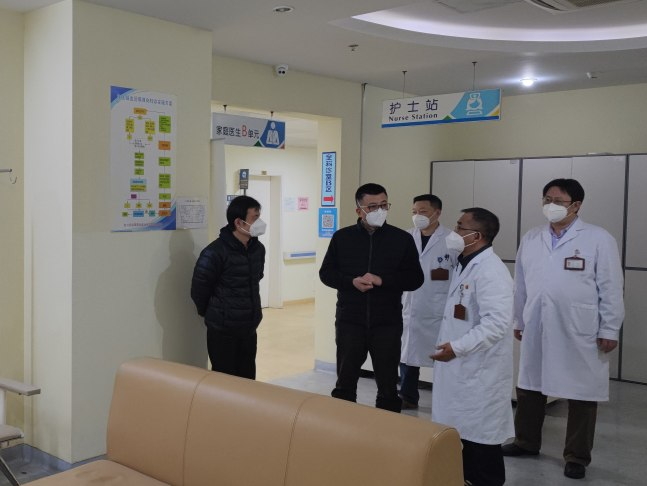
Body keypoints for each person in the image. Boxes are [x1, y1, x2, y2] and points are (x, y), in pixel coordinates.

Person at [502, 178, 624, 480]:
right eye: (547, 199)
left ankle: (577, 456)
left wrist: (610, 328)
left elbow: (611, 287)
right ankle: (526, 441)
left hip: (580, 329)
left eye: (558, 201)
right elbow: (521, 284)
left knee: (582, 393)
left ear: (576, 205)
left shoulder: (598, 239)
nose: (551, 206)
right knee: (530, 387)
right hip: (537, 324)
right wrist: (519, 320)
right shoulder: (532, 237)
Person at [319, 183, 424, 413]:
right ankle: (342, 425)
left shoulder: (401, 239)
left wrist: (382, 280)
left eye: (384, 205)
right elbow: (326, 274)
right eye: (373, 206)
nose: (380, 210)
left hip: (387, 323)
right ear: (359, 210)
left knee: (388, 386)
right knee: (345, 382)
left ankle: (386, 430)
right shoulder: (342, 237)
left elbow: (415, 278)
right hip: (350, 321)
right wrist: (351, 282)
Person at [431, 207, 514, 486]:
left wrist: (458, 347)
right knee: (462, 440)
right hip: (461, 371)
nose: (454, 231)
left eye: (460, 227)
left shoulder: (491, 271)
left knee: (481, 446)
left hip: (479, 373)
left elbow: (497, 324)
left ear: (476, 236)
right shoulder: (464, 263)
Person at [191, 195, 266, 379]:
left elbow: (256, 278)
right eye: (255, 218)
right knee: (224, 381)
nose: (260, 222)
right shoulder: (214, 252)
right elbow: (199, 290)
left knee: (247, 379)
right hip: (223, 330)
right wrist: (213, 313)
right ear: (239, 222)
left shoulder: (258, 249)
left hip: (249, 327)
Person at [399, 194, 457, 409]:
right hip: (410, 304)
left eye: (423, 212)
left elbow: (460, 274)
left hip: (439, 308)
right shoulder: (405, 237)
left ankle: (445, 399)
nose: (417, 216)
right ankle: (408, 396)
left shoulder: (452, 239)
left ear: (437, 213)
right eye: (414, 212)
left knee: (441, 356)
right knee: (407, 354)